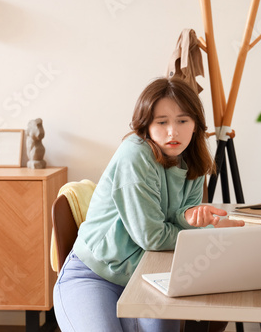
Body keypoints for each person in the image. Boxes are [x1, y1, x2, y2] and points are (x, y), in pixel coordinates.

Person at [53, 77, 244, 332]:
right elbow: (153, 237)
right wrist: (207, 234)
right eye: (161, 122)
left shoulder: (194, 161)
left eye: (183, 121)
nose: (172, 132)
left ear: (196, 124)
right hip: (94, 275)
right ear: (146, 125)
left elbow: (176, 226)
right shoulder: (135, 154)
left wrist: (191, 220)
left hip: (152, 276)